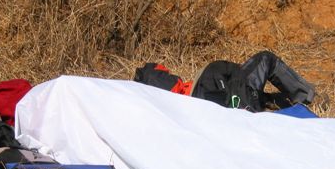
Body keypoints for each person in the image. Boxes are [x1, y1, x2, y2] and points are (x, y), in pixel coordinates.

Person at [134, 50, 317, 113]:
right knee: (265, 58)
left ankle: (281, 104)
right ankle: (307, 95)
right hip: (230, 102)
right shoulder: (148, 78)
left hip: (226, 102)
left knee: (257, 93)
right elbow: (167, 84)